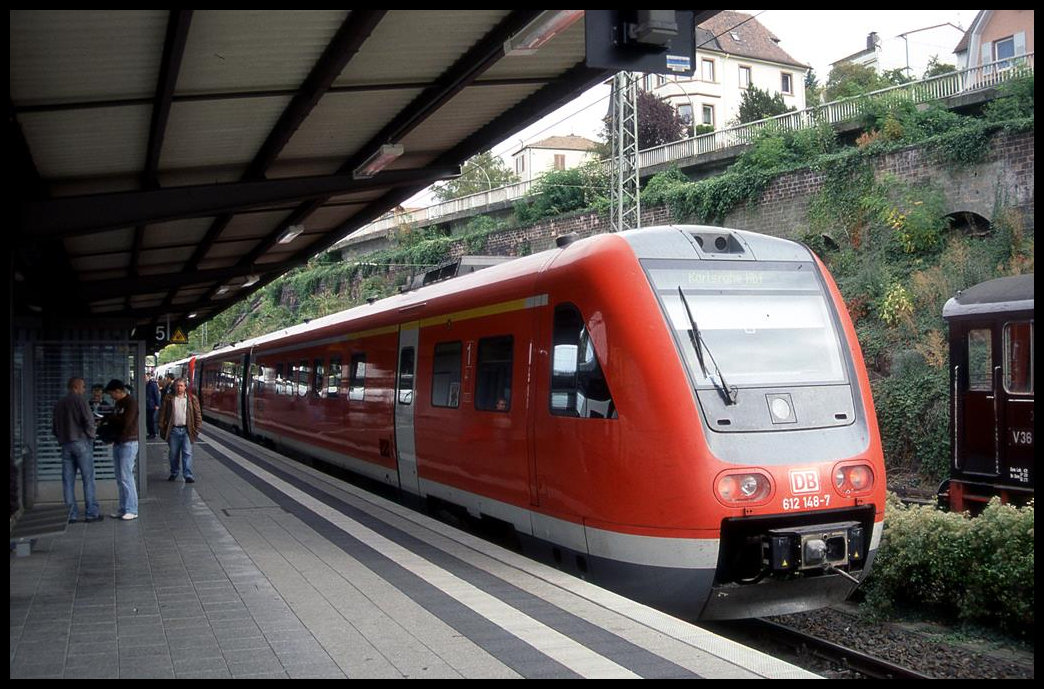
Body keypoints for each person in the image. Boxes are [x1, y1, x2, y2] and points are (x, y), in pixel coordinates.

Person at [52, 377, 103, 523]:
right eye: (83, 386)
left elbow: (55, 426)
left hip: (65, 444)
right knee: (88, 478)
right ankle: (91, 513)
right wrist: (92, 436)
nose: (85, 389)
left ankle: (71, 514)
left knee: (68, 480)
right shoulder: (81, 401)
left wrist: (61, 438)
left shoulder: (60, 403)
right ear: (76, 386)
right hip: (81, 442)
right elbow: (89, 421)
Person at [103, 379, 140, 521]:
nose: (111, 397)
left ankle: (132, 509)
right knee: (120, 478)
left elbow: (126, 422)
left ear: (118, 391)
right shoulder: (118, 404)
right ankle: (123, 508)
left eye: (112, 393)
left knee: (126, 477)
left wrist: (111, 418)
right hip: (118, 442)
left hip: (128, 443)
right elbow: (118, 420)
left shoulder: (131, 403)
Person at [159, 377, 203, 483]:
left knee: (187, 453)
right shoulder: (169, 399)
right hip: (173, 430)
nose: (179, 388)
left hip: (187, 430)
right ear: (174, 387)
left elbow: (197, 415)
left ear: (185, 387)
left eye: (181, 386)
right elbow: (163, 414)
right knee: (173, 454)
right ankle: (174, 472)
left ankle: (188, 475)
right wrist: (161, 426)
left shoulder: (192, 399)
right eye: (177, 386)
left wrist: (196, 429)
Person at [145, 373, 161, 439]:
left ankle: (153, 433)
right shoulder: (146, 384)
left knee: (151, 419)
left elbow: (156, 395)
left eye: (145, 377)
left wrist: (157, 404)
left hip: (151, 405)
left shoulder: (152, 385)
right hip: (147, 404)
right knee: (148, 420)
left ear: (148, 377)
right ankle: (150, 432)